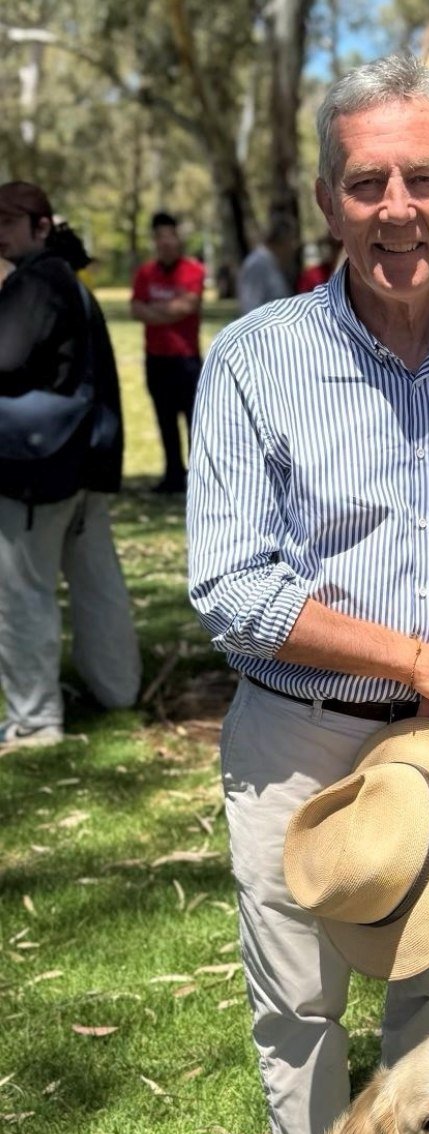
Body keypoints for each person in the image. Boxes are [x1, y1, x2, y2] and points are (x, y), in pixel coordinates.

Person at [186, 54, 429, 1134]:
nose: (395, 208)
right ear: (327, 201)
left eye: (420, 178)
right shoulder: (256, 361)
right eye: (365, 183)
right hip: (296, 739)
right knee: (298, 1013)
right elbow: (233, 584)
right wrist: (418, 660)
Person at [0, 181, 140, 751]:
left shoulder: (36, 279)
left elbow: (5, 358)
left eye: (10, 221)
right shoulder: (66, 280)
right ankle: (117, 691)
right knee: (95, 581)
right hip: (81, 462)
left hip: (36, 469)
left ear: (41, 226)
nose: (0, 231)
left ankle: (34, 722)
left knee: (21, 589)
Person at [130, 211, 204, 494]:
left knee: (194, 420)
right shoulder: (145, 273)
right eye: (159, 237)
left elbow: (188, 306)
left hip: (185, 358)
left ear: (177, 238)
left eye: (169, 236)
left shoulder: (192, 270)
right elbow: (136, 309)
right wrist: (167, 311)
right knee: (164, 419)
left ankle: (200, 477)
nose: (165, 242)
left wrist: (155, 311)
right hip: (156, 358)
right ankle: (173, 474)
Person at [236, 221, 294, 315]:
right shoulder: (257, 264)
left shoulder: (271, 263)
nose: (292, 249)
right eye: (290, 242)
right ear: (281, 242)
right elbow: (250, 308)